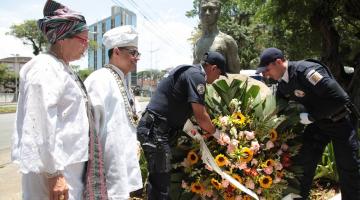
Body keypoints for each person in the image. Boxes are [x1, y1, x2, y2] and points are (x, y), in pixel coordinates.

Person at [11, 1, 107, 200]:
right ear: (63, 39)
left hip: (68, 168)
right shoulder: (45, 67)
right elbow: (40, 122)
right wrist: (54, 173)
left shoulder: (62, 67)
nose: (87, 46)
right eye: (83, 40)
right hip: (53, 174)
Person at [256, 47, 360, 200]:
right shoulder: (284, 84)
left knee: (348, 168)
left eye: (266, 69)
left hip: (340, 121)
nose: (265, 74)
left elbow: (341, 98)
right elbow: (278, 109)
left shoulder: (306, 72)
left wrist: (312, 117)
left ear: (278, 62)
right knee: (303, 163)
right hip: (319, 125)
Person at [137, 51, 226, 199]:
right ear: (213, 68)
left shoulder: (190, 71)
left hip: (155, 129)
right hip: (156, 131)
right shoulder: (197, 76)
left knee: (160, 183)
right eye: (220, 74)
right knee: (161, 186)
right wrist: (218, 134)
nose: (218, 78)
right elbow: (201, 116)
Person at [84, 26, 143, 199]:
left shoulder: (123, 81)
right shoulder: (99, 80)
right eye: (133, 53)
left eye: (138, 53)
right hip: (106, 169)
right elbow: (90, 130)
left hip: (122, 167)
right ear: (116, 51)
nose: (136, 58)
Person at [193, 0, 241, 73]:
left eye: (211, 9)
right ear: (199, 14)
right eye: (204, 9)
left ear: (218, 13)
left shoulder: (227, 40)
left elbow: (236, 75)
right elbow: (195, 72)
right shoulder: (198, 43)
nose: (207, 13)